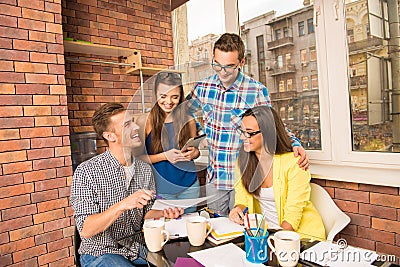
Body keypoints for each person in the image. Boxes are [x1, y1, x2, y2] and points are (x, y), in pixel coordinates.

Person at [187, 33, 309, 215]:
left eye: (229, 66)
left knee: (242, 234)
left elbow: (272, 125)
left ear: (242, 62)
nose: (222, 72)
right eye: (217, 65)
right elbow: (185, 113)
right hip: (216, 179)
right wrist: (197, 139)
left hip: (244, 180)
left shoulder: (257, 91)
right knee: (217, 236)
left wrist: (295, 144)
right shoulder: (203, 88)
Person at [70, 103, 183, 267]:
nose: (136, 127)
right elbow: (86, 229)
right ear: (110, 136)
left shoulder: (144, 169)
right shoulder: (86, 172)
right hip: (101, 253)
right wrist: (124, 204)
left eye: (133, 121)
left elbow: (146, 213)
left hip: (136, 249)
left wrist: (165, 212)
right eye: (127, 124)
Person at [228, 106, 325, 240]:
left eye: (249, 133)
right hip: (264, 235)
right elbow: (242, 200)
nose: (242, 137)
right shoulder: (243, 162)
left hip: (299, 237)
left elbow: (292, 217)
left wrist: (272, 241)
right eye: (242, 131)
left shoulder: (294, 163)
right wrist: (237, 210)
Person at [136, 72, 200, 213]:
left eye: (175, 97)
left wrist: (195, 153)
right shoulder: (144, 121)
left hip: (190, 188)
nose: (169, 101)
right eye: (163, 96)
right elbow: (137, 159)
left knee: (189, 232)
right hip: (160, 191)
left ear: (181, 96)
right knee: (165, 233)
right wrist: (164, 156)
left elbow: (193, 149)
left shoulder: (189, 119)